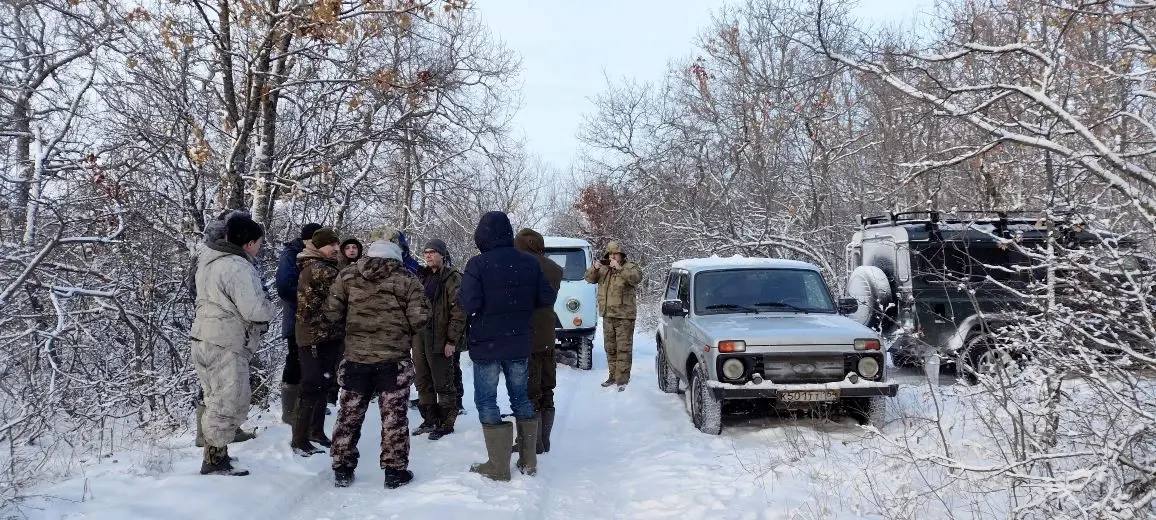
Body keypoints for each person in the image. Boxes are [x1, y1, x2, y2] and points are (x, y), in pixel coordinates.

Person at [459, 212, 556, 481]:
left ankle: (498, 466)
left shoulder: (477, 264)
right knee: (521, 398)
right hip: (519, 341)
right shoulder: (529, 262)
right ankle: (528, 461)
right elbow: (546, 297)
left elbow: (469, 303)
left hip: (486, 343)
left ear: (482, 235)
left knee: (487, 399)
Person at [325, 240, 430, 489]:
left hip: (356, 358)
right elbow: (420, 318)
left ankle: (342, 468)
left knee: (349, 414)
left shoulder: (347, 275)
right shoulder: (407, 278)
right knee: (394, 417)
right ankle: (394, 471)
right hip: (393, 360)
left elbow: (331, 312)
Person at [190, 215, 275, 476]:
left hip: (204, 336)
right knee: (227, 400)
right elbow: (255, 309)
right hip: (225, 340)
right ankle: (214, 461)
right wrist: (270, 308)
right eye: (259, 242)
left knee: (215, 397)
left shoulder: (208, 260)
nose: (259, 247)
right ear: (249, 243)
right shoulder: (237, 266)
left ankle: (217, 454)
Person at [290, 227, 344, 456]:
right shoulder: (318, 268)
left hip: (327, 335)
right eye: (332, 245)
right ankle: (300, 439)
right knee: (312, 384)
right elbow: (346, 287)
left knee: (323, 382)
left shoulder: (325, 265)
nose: (336, 249)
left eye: (337, 244)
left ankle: (316, 431)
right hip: (314, 335)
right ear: (320, 246)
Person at [513, 228, 563, 455]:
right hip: (547, 335)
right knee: (546, 388)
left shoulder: (518, 266)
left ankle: (532, 444)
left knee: (528, 392)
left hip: (526, 337)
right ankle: (544, 441)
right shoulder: (554, 268)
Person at [411, 239, 466, 440]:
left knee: (443, 382)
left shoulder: (452, 278)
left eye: (433, 252)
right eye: (426, 252)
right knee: (422, 381)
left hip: (441, 339)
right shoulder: (421, 276)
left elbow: (459, 311)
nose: (428, 255)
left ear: (442, 255)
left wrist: (451, 341)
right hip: (420, 337)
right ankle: (429, 419)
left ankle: (445, 423)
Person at [275, 222, 323, 426]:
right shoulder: (291, 254)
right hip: (296, 317)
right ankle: (290, 411)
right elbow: (284, 286)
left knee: (311, 363)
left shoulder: (315, 255)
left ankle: (306, 406)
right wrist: (309, 299)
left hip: (314, 320)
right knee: (295, 361)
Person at [584, 241, 642, 391]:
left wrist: (620, 269)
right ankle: (612, 376)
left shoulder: (630, 267)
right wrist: (595, 268)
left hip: (624, 316)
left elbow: (636, 279)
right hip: (608, 315)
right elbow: (588, 278)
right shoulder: (604, 269)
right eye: (610, 254)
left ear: (621, 255)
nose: (612, 257)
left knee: (623, 349)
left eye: (615, 254)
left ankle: (622, 380)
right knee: (610, 348)